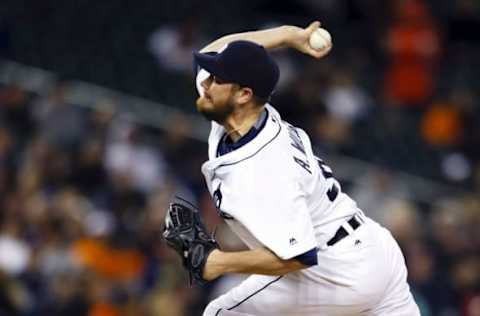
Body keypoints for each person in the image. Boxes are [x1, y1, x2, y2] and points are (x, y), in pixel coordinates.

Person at [192, 21, 420, 316]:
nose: (206, 85)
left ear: (244, 94)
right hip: (375, 252)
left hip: (336, 271)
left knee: (221, 313)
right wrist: (287, 35)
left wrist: (218, 262)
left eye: (216, 80)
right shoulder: (241, 112)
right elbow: (211, 51)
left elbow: (298, 256)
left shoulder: (266, 167)